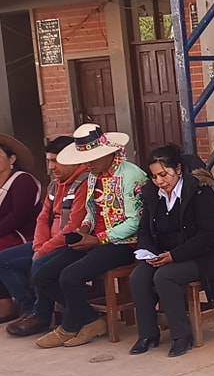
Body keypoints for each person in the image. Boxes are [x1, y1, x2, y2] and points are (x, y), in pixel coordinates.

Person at [34, 124, 147, 348]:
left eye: (92, 158)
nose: (88, 163)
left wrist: (98, 239)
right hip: (95, 240)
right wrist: (85, 229)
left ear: (107, 153)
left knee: (69, 276)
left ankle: (71, 325)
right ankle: (89, 319)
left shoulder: (131, 175)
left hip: (124, 244)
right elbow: (91, 211)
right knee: (42, 275)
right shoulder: (94, 175)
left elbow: (135, 221)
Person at [130, 145, 214, 357]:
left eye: (164, 175)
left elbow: (209, 235)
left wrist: (173, 256)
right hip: (167, 254)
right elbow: (145, 229)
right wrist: (148, 252)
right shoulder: (153, 194)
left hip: (206, 255)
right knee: (138, 276)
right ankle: (147, 334)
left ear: (178, 169)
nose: (160, 181)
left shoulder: (200, 192)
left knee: (165, 276)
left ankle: (182, 336)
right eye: (154, 177)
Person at [1, 136, 88, 337]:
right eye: (50, 161)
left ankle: (41, 314)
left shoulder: (83, 183)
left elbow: (73, 226)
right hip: (46, 242)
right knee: (4, 261)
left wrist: (44, 249)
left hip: (69, 243)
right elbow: (42, 218)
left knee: (40, 265)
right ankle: (29, 308)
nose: (52, 167)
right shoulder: (54, 185)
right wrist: (40, 245)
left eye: (57, 161)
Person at [0, 134, 42, 322]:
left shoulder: (23, 181)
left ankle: (23, 306)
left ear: (12, 159)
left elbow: (18, 216)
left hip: (24, 234)